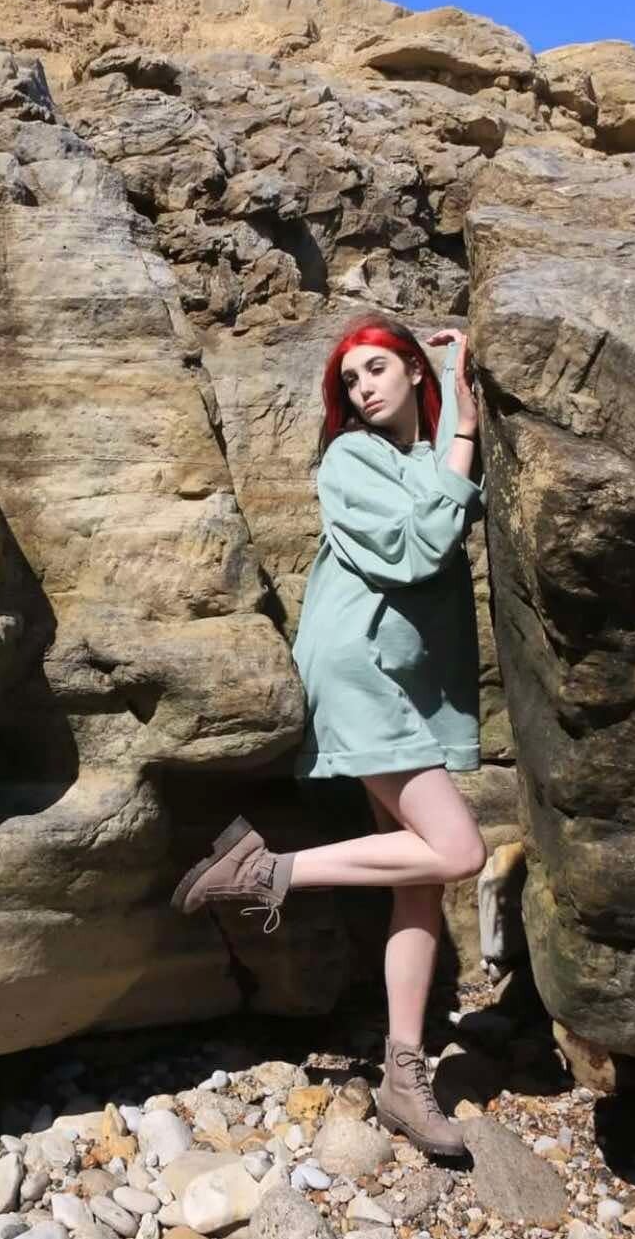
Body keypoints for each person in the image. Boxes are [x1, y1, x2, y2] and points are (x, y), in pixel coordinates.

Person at [171, 312, 488, 1157]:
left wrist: (453, 363)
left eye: (377, 368)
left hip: (408, 683)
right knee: (459, 851)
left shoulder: (423, 454)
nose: (363, 387)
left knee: (419, 881)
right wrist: (463, 431)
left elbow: (450, 411)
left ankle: (403, 1074)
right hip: (362, 671)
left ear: (411, 371)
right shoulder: (351, 458)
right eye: (351, 379)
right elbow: (422, 549)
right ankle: (264, 869)